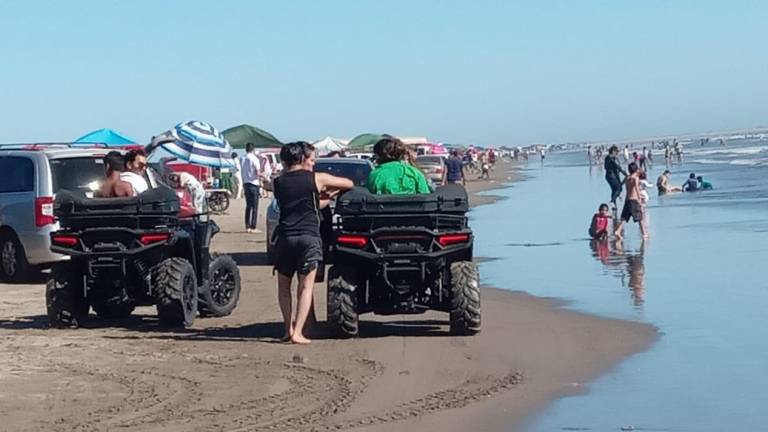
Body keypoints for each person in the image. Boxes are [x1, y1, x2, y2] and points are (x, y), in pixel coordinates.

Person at [273, 142, 354, 344]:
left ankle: (287, 329)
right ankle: (299, 332)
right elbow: (348, 183)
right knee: (305, 286)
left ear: (283, 160)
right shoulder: (316, 178)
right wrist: (331, 194)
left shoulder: (278, 182)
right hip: (309, 237)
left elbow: (297, 203)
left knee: (284, 287)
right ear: (302, 158)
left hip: (284, 237)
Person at [614, 162, 648, 239]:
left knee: (625, 218)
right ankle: (644, 234)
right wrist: (640, 200)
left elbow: (620, 185)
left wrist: (619, 194)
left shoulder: (627, 177)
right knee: (640, 218)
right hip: (634, 199)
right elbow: (636, 189)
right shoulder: (635, 178)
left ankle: (618, 231)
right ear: (636, 170)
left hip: (627, 199)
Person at [241, 142, 263, 233]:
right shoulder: (254, 159)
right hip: (254, 183)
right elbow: (257, 173)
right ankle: (253, 226)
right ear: (253, 149)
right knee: (255, 207)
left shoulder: (242, 158)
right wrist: (264, 175)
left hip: (246, 183)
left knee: (248, 206)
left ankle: (247, 226)